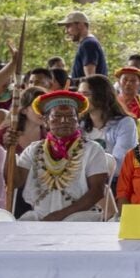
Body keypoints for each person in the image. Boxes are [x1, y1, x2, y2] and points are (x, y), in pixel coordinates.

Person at [17, 90, 114, 222]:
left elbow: (97, 191)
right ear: (45, 121)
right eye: (57, 117)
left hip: (79, 218)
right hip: (40, 217)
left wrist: (60, 215)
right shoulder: (33, 150)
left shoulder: (92, 149)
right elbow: (15, 182)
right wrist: (10, 146)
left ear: (77, 121)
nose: (64, 121)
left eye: (70, 117)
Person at [79, 73, 138, 162]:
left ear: (101, 95)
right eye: (79, 94)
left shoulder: (125, 124)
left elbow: (120, 163)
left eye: (86, 94)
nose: (80, 99)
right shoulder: (80, 124)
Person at [63, 9, 106, 80]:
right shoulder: (88, 43)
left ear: (80, 25)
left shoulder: (88, 44)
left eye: (68, 26)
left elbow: (90, 78)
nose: (66, 31)